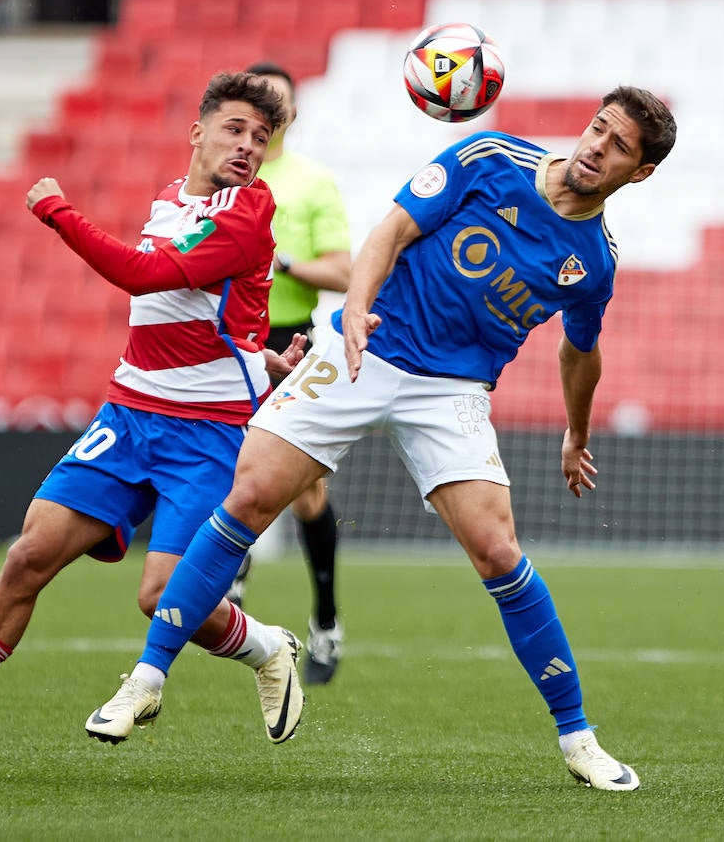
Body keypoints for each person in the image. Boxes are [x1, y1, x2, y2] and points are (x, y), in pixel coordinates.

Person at [89, 86, 677, 791]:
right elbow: (390, 232)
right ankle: (147, 679)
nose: (595, 147)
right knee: (248, 497)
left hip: (451, 392)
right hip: (360, 347)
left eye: (618, 148)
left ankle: (579, 738)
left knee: (499, 551)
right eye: (597, 128)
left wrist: (575, 432)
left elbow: (580, 351)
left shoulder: (596, 261)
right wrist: (359, 309)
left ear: (638, 174)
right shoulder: (488, 156)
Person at [0, 72, 308, 778]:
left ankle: (264, 646)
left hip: (210, 434)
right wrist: (260, 351)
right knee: (27, 557)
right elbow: (211, 312)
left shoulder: (250, 212)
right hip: (129, 414)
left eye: (262, 137)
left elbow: (139, 276)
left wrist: (57, 211)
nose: (248, 146)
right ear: (197, 131)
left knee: (162, 596)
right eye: (234, 128)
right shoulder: (171, 197)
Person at [226, 61, 353, 685]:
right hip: (223, 339)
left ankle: (326, 618)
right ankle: (232, 588)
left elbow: (345, 272)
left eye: (277, 104)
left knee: (305, 492)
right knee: (228, 466)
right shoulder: (218, 177)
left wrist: (286, 262)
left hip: (289, 342)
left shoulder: (310, 182)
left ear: (292, 115)